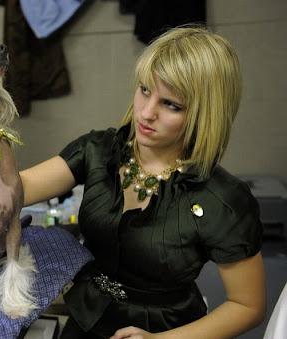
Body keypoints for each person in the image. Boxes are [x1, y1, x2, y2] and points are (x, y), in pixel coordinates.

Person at [19, 26, 266, 338]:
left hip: (169, 331)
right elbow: (18, 188)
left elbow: (248, 306)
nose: (146, 114)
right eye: (145, 90)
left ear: (204, 114)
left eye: (171, 105)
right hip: (87, 319)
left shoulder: (222, 199)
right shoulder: (98, 150)